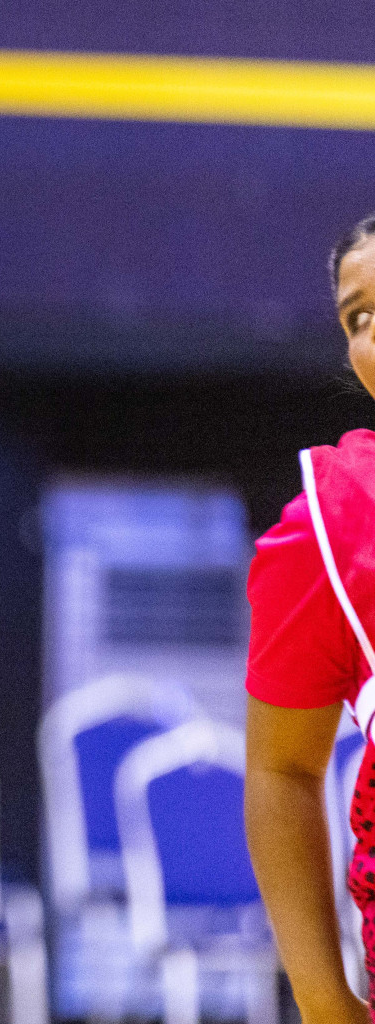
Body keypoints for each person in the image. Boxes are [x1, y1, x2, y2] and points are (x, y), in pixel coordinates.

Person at [245, 212, 375, 1024]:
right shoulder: (336, 519)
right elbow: (281, 772)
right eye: (358, 317)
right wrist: (326, 1002)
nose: (370, 337)